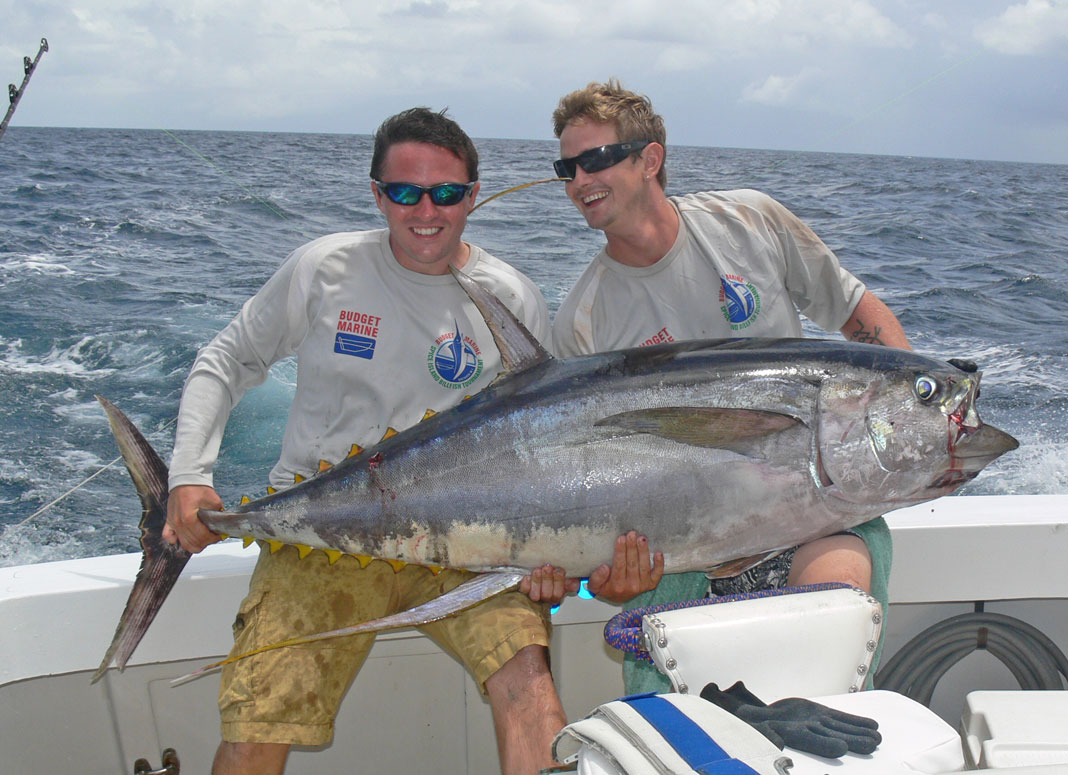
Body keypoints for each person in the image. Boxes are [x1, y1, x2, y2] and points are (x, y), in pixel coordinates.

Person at [163, 107, 565, 775]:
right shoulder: (325, 269)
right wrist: (187, 473)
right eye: (405, 191)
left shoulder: (511, 297)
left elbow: (538, 446)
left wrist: (551, 553)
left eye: (447, 192)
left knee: (530, 684)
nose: (425, 209)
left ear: (474, 194)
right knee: (261, 717)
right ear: (378, 193)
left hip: (466, 542)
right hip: (319, 537)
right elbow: (227, 359)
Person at [549, 80, 910, 695]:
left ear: (650, 159)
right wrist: (615, 581)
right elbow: (587, 489)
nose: (580, 180)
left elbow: (857, 315)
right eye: (567, 167)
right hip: (681, 549)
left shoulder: (751, 222)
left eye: (597, 159)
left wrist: (910, 409)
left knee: (837, 616)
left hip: (811, 515)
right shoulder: (583, 319)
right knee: (683, 731)